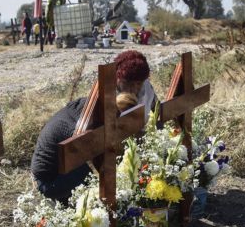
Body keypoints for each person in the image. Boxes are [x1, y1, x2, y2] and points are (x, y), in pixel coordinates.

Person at [31, 50, 159, 203]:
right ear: (118, 79)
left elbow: (157, 111)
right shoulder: (92, 115)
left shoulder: (115, 100)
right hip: (51, 181)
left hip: (68, 170)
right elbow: (97, 157)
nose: (134, 90)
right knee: (97, 170)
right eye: (129, 84)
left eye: (138, 84)